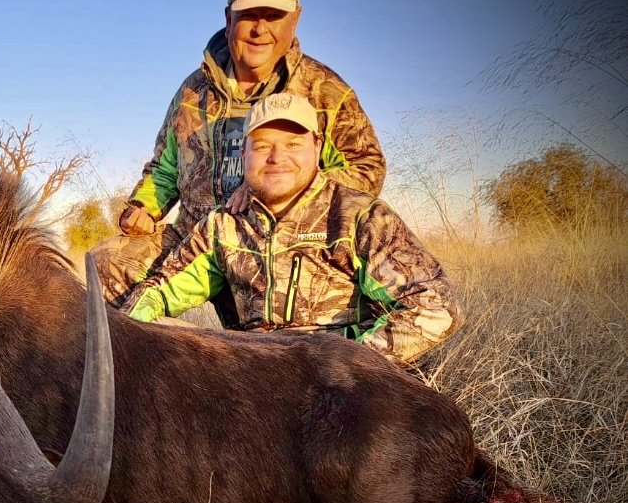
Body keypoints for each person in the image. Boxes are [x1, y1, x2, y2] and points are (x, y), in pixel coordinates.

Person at [92, 0, 386, 306]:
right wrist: (144, 206)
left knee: (273, 349)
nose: (260, 29)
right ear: (228, 17)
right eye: (249, 16)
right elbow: (164, 167)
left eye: (274, 16)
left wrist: (276, 188)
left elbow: (368, 167)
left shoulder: (327, 91)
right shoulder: (192, 92)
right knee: (105, 265)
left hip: (275, 246)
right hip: (193, 238)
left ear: (296, 19)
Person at [120, 93, 459, 366]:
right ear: (245, 152)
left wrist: (350, 361)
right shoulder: (223, 225)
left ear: (317, 146)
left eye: (293, 144)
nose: (277, 157)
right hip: (256, 374)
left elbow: (437, 308)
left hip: (346, 382)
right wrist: (125, 340)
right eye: (263, 145)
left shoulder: (360, 215)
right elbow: (158, 292)